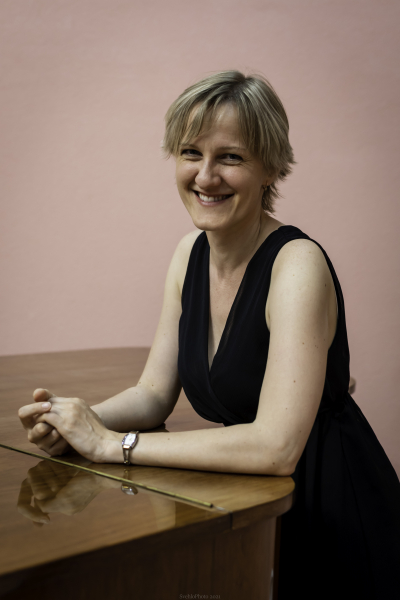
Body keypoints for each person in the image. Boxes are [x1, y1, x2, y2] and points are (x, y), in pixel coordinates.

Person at [18, 71, 400, 599]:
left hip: (330, 516)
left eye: (231, 157)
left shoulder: (297, 265)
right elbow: (154, 394)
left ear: (271, 168)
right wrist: (80, 421)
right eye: (190, 152)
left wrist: (111, 445)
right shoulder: (188, 255)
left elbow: (276, 447)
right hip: (246, 500)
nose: (205, 176)